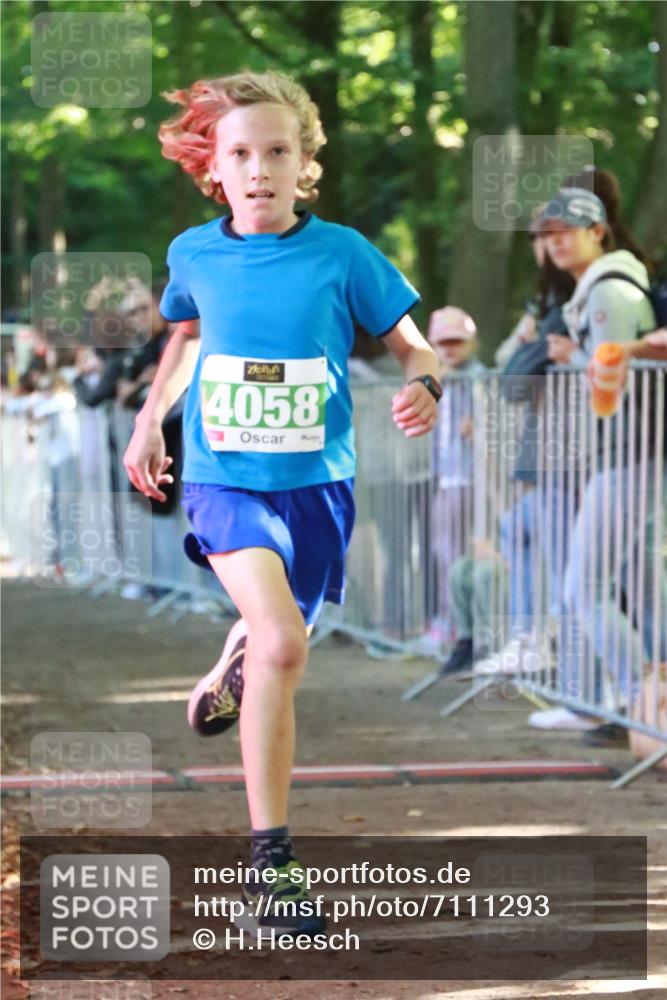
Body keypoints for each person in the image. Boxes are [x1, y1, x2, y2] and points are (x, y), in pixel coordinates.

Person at [122, 71, 440, 935]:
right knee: (285, 645)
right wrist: (152, 421)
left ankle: (239, 659)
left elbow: (413, 348)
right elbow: (186, 337)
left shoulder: (343, 253)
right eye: (239, 153)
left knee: (274, 646)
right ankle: (274, 866)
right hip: (225, 481)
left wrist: (428, 385)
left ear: (304, 166)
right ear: (213, 169)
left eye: (276, 152)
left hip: (316, 489)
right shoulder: (194, 252)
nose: (258, 168)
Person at [527, 186, 660, 737]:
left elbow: (613, 380)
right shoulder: (603, 286)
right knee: (646, 588)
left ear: (597, 230)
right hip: (630, 454)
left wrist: (569, 356)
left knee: (585, 588)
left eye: (565, 230)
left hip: (627, 453)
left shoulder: (607, 292)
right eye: (546, 235)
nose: (555, 242)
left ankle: (639, 705)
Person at [427, 306, 485, 651]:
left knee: (456, 552)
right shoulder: (439, 378)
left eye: (457, 342)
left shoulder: (478, 377)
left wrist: (479, 427)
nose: (450, 349)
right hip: (446, 476)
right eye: (443, 342)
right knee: (443, 549)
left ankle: (459, 624)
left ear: (471, 343)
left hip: (468, 477)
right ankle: (450, 621)